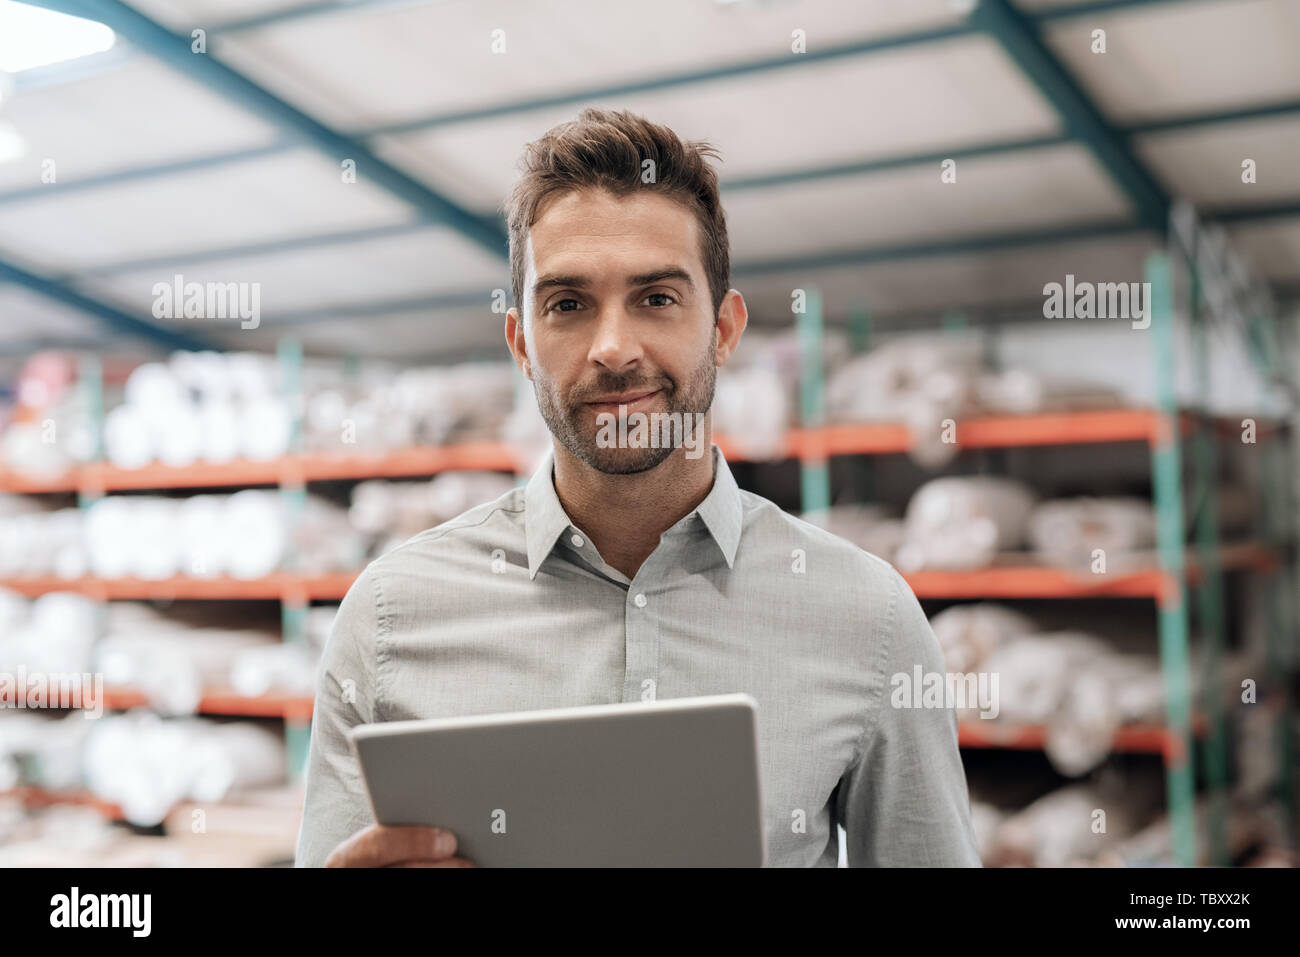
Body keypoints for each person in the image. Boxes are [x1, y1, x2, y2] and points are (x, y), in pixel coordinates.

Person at [295, 108, 981, 867]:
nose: (614, 348)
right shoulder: (388, 620)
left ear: (723, 328)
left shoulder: (868, 617)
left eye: (656, 298)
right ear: (522, 344)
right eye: (568, 304)